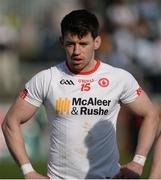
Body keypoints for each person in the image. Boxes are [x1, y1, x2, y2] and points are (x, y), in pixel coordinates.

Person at [1, 9, 159, 179]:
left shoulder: (119, 78)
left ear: (97, 42)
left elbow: (151, 115)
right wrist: (28, 172)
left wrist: (138, 161)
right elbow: (10, 122)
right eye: (70, 44)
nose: (76, 51)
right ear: (62, 42)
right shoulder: (47, 79)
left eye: (83, 44)